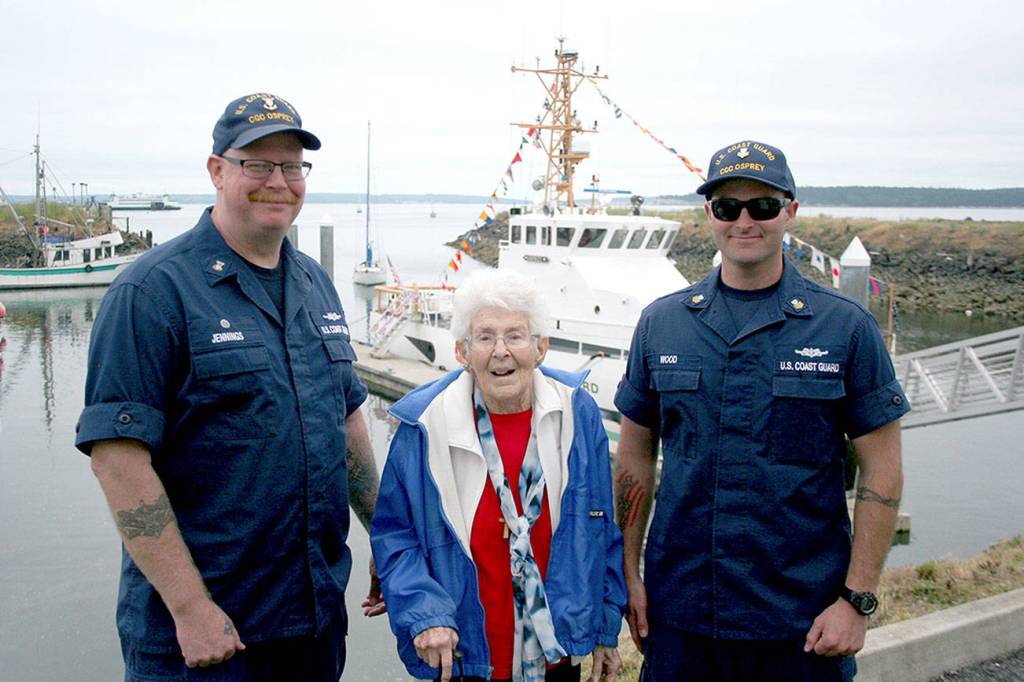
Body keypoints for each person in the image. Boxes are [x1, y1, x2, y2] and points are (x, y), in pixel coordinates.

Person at [75, 92, 383, 681]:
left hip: (313, 620)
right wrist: (190, 608)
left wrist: (388, 539)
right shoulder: (151, 292)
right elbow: (117, 459)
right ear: (217, 171)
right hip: (207, 639)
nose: (278, 182)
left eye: (291, 166)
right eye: (257, 164)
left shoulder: (315, 284)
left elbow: (346, 422)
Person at [613, 140, 911, 681]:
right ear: (710, 214)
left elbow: (883, 469)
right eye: (728, 207)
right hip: (682, 614)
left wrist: (858, 599)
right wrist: (629, 573)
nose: (744, 221)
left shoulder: (845, 328)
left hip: (802, 622)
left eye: (763, 206)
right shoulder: (662, 324)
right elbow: (634, 457)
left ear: (790, 212)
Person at [370, 268, 626, 682]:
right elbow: (396, 535)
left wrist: (604, 626)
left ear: (541, 347)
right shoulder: (424, 425)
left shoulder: (577, 414)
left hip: (558, 654)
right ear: (462, 351)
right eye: (485, 337)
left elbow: (601, 529)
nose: (501, 351)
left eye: (515, 336)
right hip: (462, 655)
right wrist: (426, 615)